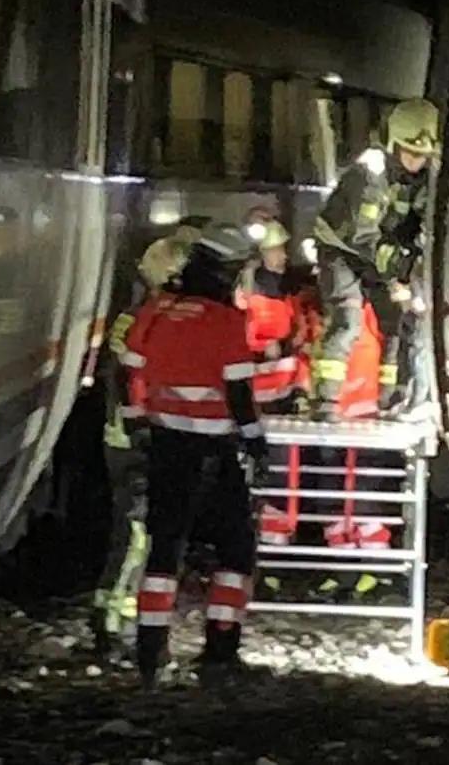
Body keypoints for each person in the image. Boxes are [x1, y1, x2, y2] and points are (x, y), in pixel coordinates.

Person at [121, 225, 266, 687]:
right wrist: (256, 439)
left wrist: (137, 422)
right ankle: (220, 650)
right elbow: (239, 392)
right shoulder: (225, 321)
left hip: (165, 443)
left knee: (165, 548)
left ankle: (150, 651)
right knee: (236, 546)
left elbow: (128, 374)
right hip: (213, 448)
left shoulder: (158, 309)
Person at [92, 227, 199, 655]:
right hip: (135, 441)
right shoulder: (142, 319)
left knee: (151, 534)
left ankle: (133, 620)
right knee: (136, 532)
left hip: (153, 436)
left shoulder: (155, 317)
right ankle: (109, 621)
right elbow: (127, 379)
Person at [312, 98, 440, 419]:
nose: (416, 161)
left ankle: (389, 399)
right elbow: (362, 235)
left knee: (394, 322)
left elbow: (423, 223)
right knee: (347, 320)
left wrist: (416, 263)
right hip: (342, 251)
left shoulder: (425, 178)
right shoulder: (370, 173)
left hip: (380, 255)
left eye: (422, 156)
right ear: (392, 144)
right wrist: (402, 267)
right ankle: (325, 402)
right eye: (410, 153)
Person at [238, 220, 309, 415]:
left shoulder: (289, 283)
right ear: (264, 253)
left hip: (284, 364)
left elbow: (298, 317)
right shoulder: (251, 286)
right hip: (260, 365)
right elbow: (243, 325)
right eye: (277, 250)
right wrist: (266, 344)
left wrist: (300, 335)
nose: (284, 256)